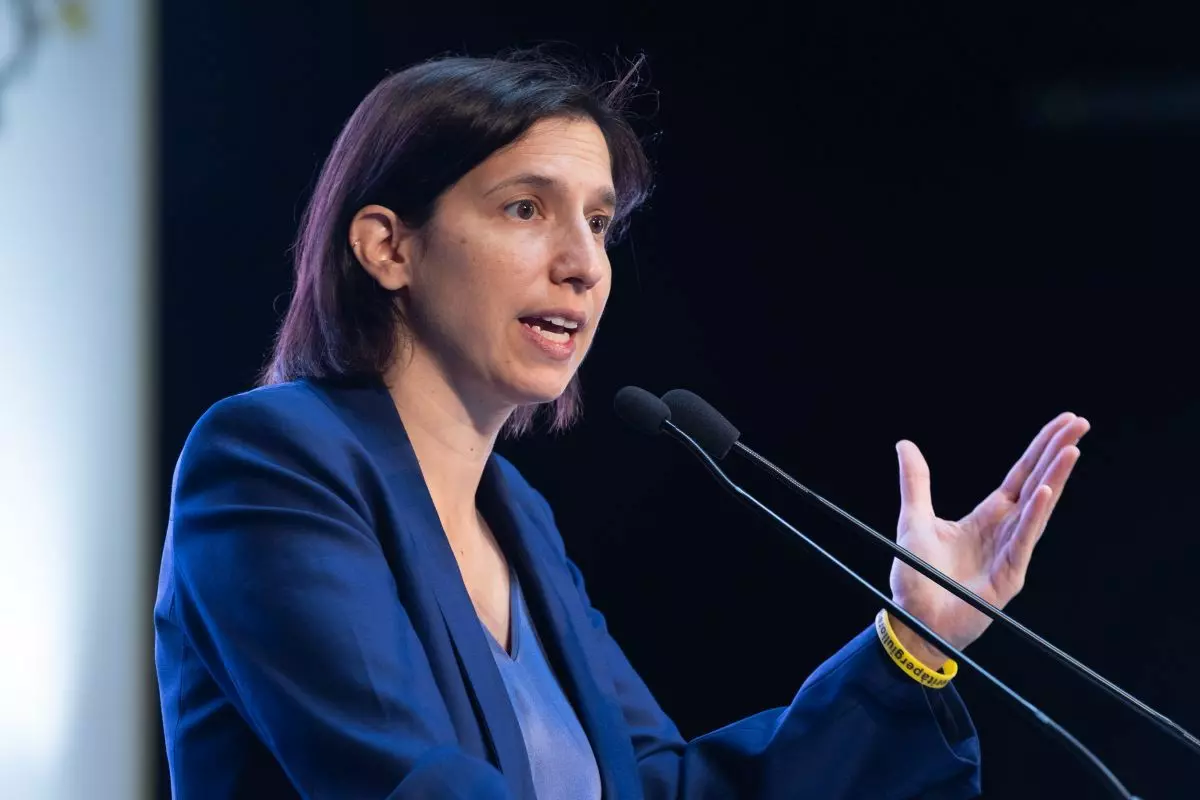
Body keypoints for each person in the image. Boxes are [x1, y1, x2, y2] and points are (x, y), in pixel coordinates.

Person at [154, 52, 1089, 799]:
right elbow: (400, 780)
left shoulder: (517, 517)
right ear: (387, 246)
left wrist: (912, 642)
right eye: (526, 208)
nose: (583, 264)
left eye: (600, 223)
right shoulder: (271, 460)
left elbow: (658, 787)